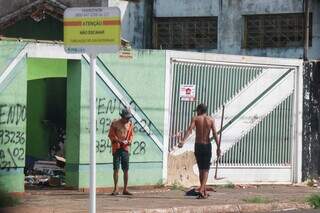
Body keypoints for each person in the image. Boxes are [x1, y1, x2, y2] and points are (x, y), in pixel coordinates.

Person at [178, 103, 220, 199]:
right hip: (206, 145)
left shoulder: (196, 119)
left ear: (200, 110)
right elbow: (214, 133)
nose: (197, 112)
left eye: (197, 110)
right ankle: (202, 189)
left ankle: (202, 189)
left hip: (198, 145)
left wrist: (183, 141)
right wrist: (218, 147)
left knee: (201, 168)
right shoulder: (211, 120)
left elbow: (189, 130)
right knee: (205, 169)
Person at [108, 108, 134, 195]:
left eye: (128, 118)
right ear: (122, 117)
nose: (127, 120)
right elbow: (111, 135)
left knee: (126, 169)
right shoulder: (115, 123)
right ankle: (116, 188)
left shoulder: (130, 124)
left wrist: (129, 141)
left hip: (125, 148)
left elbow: (131, 135)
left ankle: (125, 189)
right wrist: (118, 140)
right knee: (116, 169)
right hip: (117, 148)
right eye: (126, 118)